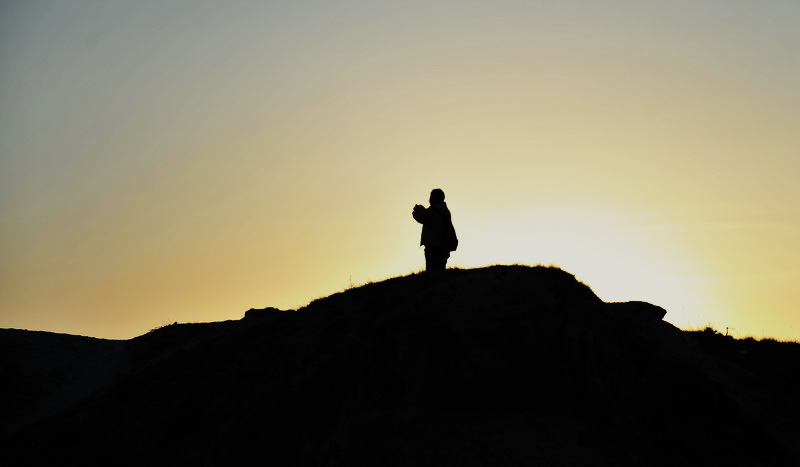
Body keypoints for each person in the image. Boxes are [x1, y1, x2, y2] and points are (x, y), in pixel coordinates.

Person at [412, 188, 458, 272]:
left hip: (434, 246)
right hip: (444, 246)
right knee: (440, 270)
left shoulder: (433, 211)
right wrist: (424, 210)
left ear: (434, 198)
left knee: (432, 272)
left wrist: (416, 210)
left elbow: (420, 217)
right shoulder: (445, 210)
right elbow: (430, 217)